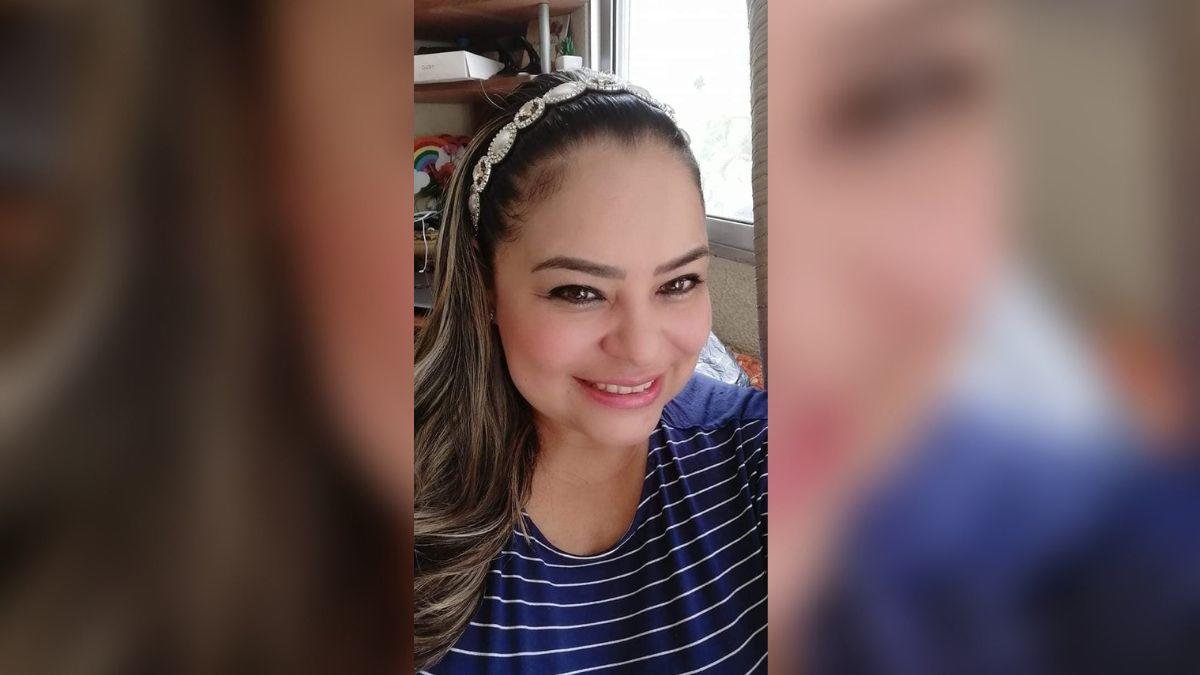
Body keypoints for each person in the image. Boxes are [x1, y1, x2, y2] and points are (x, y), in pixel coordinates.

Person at [413, 70, 768, 673]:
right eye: (579, 292)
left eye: (678, 283)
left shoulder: (760, 454)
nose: (641, 349)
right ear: (485, 281)